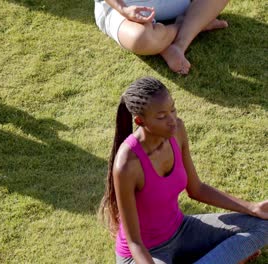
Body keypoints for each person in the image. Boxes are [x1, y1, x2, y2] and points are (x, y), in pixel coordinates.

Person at [99, 77, 267, 263]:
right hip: (143, 254)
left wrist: (252, 207)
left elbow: (197, 189)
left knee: (263, 225)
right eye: (161, 117)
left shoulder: (177, 131)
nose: (172, 120)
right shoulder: (127, 165)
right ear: (140, 120)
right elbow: (134, 243)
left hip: (181, 230)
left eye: (173, 109)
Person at [93, 0, 229, 74]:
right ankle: (191, 23)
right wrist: (124, 10)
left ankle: (179, 46)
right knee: (140, 39)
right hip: (123, 5)